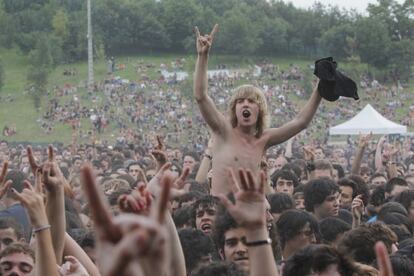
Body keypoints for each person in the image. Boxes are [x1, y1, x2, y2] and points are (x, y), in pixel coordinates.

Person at [194, 25, 323, 196]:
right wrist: (203, 56)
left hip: (248, 216)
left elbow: (301, 122)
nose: (245, 104)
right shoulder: (222, 130)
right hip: (221, 214)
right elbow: (201, 96)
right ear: (234, 109)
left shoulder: (265, 138)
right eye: (240, 101)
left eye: (251, 101)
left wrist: (320, 90)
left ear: (260, 110)